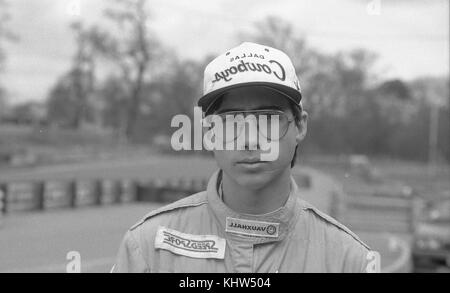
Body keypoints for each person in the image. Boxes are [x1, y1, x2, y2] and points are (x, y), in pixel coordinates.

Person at [112, 42, 373, 273]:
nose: (249, 139)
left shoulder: (349, 260)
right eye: (230, 121)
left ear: (300, 126)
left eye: (268, 119)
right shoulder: (147, 246)